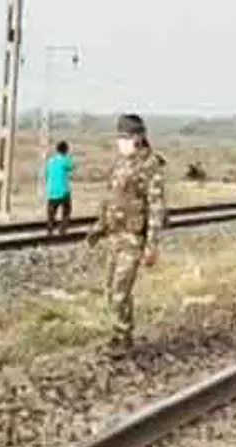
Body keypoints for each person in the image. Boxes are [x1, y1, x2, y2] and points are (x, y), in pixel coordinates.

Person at [86, 113, 166, 358]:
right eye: (119, 137)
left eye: (126, 137)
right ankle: (120, 334)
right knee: (111, 290)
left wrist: (152, 245)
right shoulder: (121, 164)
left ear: (139, 137)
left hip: (133, 238)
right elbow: (110, 202)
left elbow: (156, 208)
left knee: (120, 289)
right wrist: (98, 229)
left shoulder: (150, 167)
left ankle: (123, 338)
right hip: (115, 236)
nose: (121, 142)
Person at [45, 141, 74, 235]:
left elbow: (47, 174)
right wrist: (68, 156)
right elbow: (71, 166)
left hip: (51, 191)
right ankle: (62, 229)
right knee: (67, 210)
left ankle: (50, 229)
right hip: (63, 191)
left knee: (51, 213)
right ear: (65, 150)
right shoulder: (64, 160)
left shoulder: (50, 161)